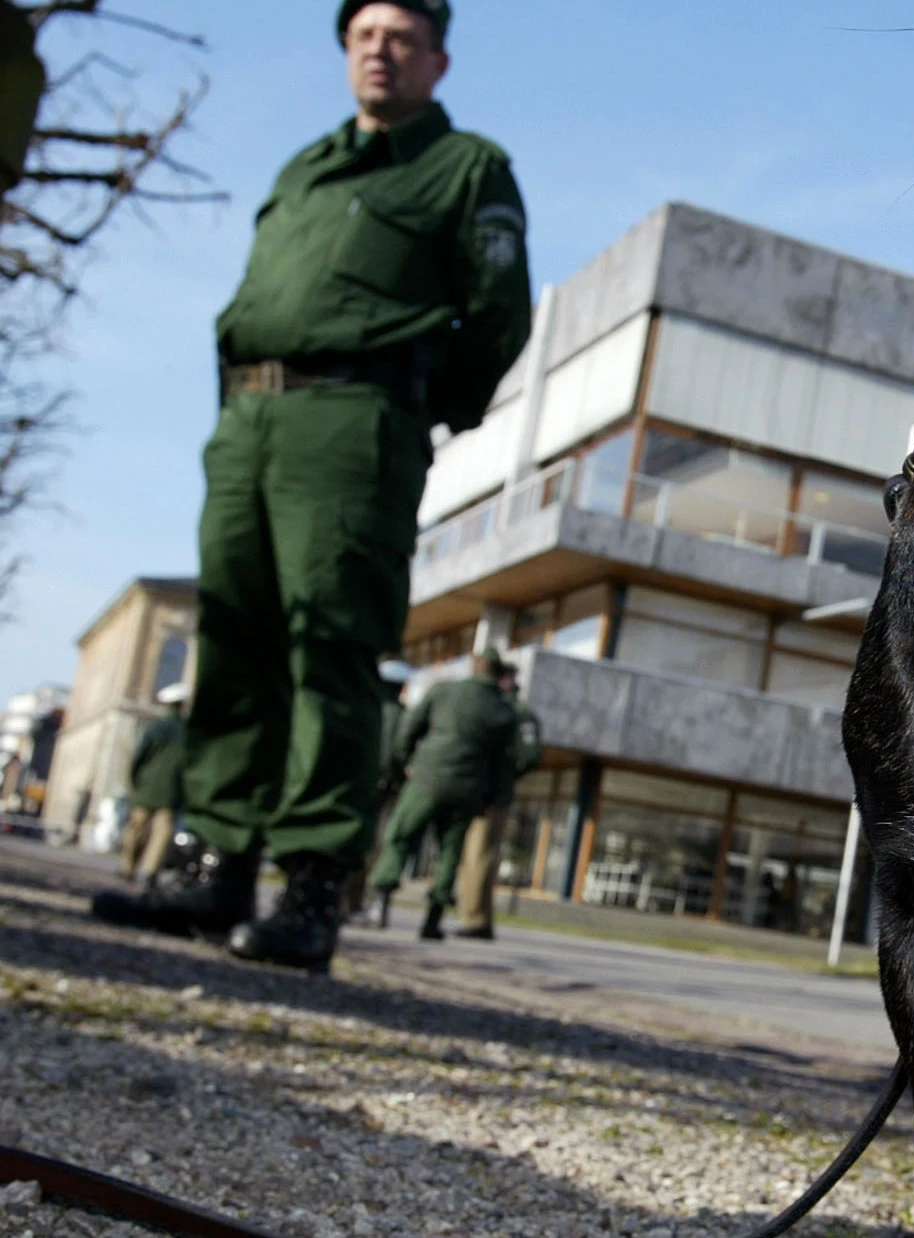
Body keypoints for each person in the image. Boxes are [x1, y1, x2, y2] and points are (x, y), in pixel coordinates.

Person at [90, 0, 530, 972]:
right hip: (249, 420)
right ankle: (215, 864)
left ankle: (313, 884)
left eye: (403, 37)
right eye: (365, 34)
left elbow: (497, 318)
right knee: (237, 640)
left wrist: (412, 406)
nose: (381, 50)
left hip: (353, 420)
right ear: (346, 52)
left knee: (326, 645)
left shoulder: (465, 168)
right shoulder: (307, 165)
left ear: (438, 60)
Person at [370, 652, 518, 939]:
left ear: (474, 668)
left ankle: (381, 905)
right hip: (469, 788)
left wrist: (407, 764)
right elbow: (504, 764)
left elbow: (408, 730)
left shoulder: (444, 691)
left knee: (400, 836)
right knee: (450, 852)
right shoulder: (503, 711)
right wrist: (490, 799)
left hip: (428, 777)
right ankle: (432, 920)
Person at [451, 661, 541, 940]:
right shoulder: (496, 707)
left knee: (480, 855)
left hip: (493, 793)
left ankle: (476, 920)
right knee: (472, 855)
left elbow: (529, 754)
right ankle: (472, 915)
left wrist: (506, 774)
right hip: (478, 790)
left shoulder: (518, 712)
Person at [344, 658, 414, 919]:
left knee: (349, 836)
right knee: (372, 845)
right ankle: (355, 901)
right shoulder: (402, 715)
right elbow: (398, 754)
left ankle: (339, 896)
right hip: (384, 788)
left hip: (355, 781)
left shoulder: (363, 705)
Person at [116, 684, 189, 883]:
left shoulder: (155, 727)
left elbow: (138, 757)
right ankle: (151, 871)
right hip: (173, 789)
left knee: (136, 828)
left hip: (147, 786)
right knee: (163, 832)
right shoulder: (188, 731)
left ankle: (128, 867)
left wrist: (135, 781)